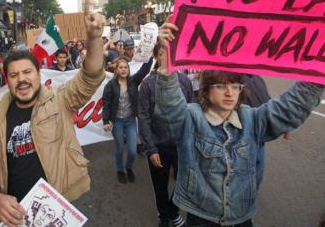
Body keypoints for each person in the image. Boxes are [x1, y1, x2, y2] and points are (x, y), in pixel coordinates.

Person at [154, 18, 325, 226]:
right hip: (201, 217)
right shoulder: (191, 118)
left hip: (242, 217)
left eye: (235, 86)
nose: (229, 92)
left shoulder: (252, 119)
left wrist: (318, 71)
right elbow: (168, 106)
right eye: (221, 85)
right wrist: (166, 60)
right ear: (206, 90)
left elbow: (290, 108)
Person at [0, 0, 106, 226]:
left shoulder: (59, 98)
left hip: (58, 208)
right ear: (8, 80)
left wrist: (93, 39)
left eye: (27, 72)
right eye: (14, 75)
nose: (22, 78)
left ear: (38, 74)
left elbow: (89, 79)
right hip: (14, 216)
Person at [138, 41, 195, 227]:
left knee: (184, 183)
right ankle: (163, 215)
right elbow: (144, 118)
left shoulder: (184, 81)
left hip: (181, 145)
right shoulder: (147, 84)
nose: (168, 58)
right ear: (155, 56)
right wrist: (150, 148)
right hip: (158, 146)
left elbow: (191, 113)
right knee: (160, 186)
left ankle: (173, 209)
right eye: (163, 53)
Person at [102, 57, 153, 183]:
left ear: (128, 70)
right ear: (117, 70)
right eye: (121, 67)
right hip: (117, 121)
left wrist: (150, 56)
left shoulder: (133, 81)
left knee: (132, 150)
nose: (123, 70)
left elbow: (144, 70)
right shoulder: (110, 85)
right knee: (119, 147)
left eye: (126, 67)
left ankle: (129, 167)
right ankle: (120, 170)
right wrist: (105, 121)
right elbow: (106, 103)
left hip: (130, 120)